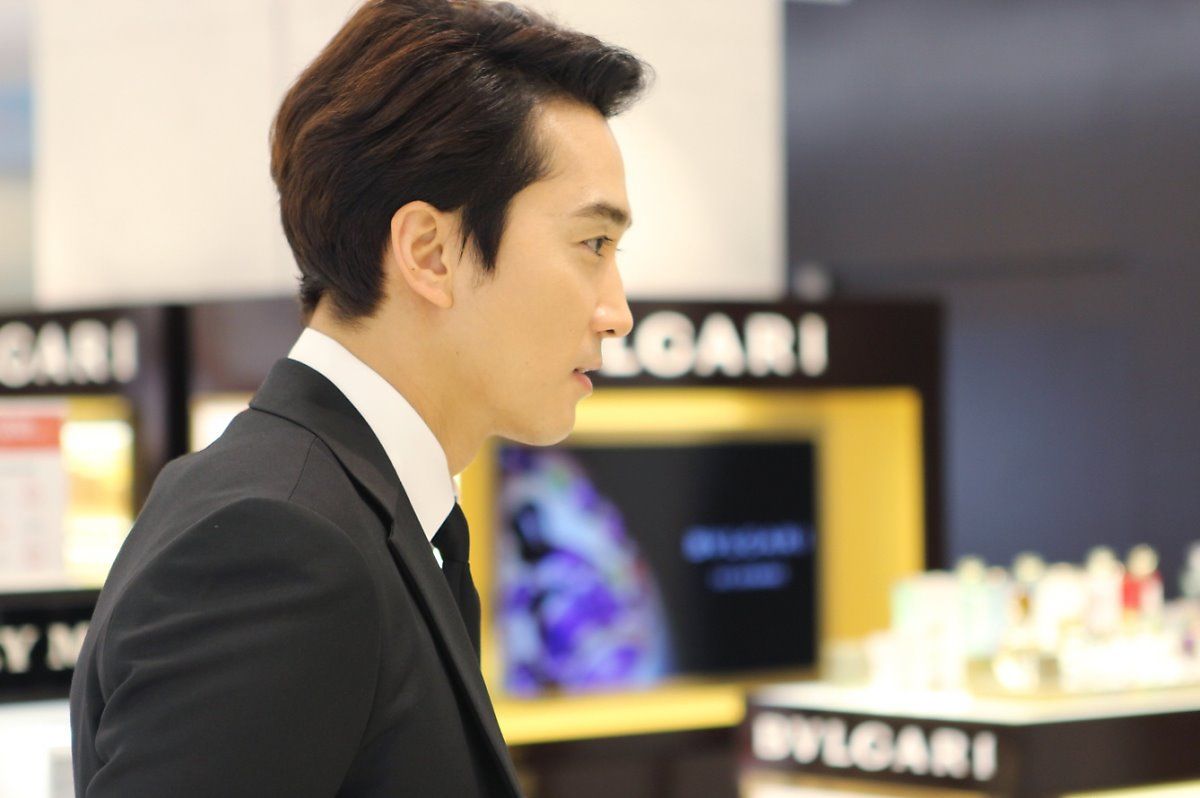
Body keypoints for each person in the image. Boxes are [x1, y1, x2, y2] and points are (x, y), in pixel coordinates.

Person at [69, 0, 647, 794]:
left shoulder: (344, 515)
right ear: (429, 253)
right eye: (593, 244)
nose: (617, 312)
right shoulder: (281, 546)